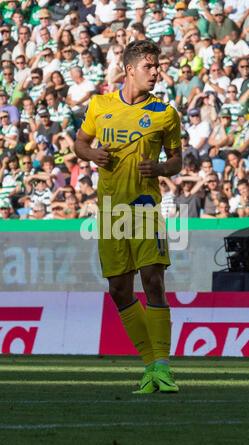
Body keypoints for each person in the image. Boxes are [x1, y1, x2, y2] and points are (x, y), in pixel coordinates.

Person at [75, 39, 182, 394]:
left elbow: (178, 161)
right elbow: (80, 142)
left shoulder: (165, 113)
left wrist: (161, 167)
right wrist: (92, 155)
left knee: (153, 280)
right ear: (130, 69)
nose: (156, 72)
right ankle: (151, 365)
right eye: (150, 67)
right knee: (119, 290)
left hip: (144, 208)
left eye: (158, 66)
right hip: (109, 211)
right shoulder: (100, 105)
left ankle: (163, 367)